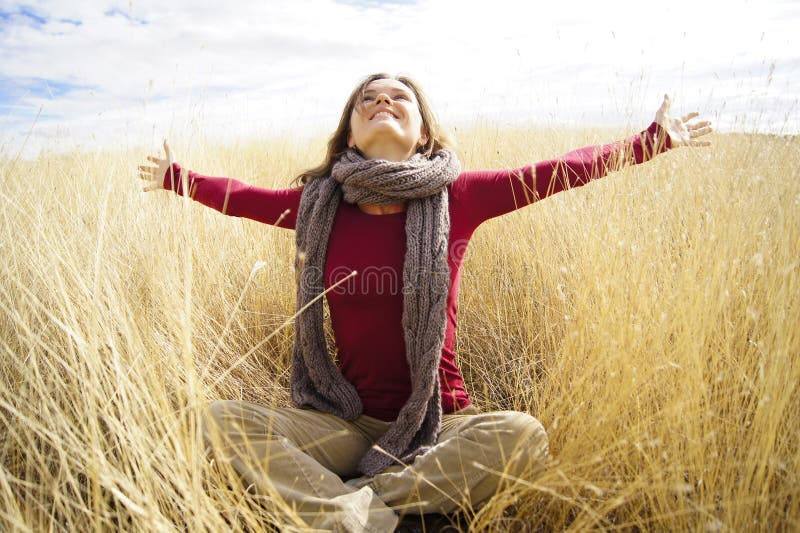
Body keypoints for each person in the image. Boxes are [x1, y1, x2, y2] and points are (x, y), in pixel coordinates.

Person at [138, 73, 712, 532]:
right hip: (346, 421)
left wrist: (649, 142)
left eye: (398, 98)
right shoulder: (320, 207)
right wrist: (176, 177)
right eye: (368, 99)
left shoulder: (458, 196)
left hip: (438, 424)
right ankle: (380, 514)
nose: (382, 101)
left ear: (423, 132)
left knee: (522, 435)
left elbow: (556, 173)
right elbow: (240, 199)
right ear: (349, 135)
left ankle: (354, 507)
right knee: (219, 421)